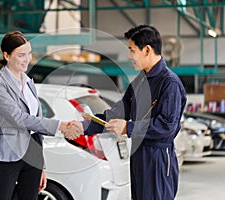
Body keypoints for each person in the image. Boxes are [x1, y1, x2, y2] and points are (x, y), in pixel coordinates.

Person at [70, 24, 187, 200]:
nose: (129, 56)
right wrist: (84, 125)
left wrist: (129, 128)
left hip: (158, 157)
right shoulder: (139, 82)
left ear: (147, 50)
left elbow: (167, 126)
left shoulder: (169, 83)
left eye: (132, 50)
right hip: (138, 154)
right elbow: (116, 114)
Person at [0, 30, 81, 200]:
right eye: (21, 55)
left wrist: (41, 164)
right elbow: (17, 118)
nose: (27, 59)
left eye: (29, 54)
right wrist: (60, 125)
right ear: (7, 56)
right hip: (8, 155)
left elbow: (35, 125)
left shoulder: (29, 82)